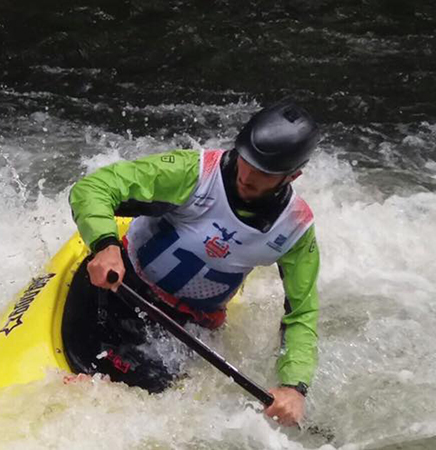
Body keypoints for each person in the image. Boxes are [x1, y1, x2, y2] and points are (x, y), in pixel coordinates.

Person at [64, 99, 320, 427]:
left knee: (142, 411)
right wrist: (105, 245)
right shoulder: (193, 172)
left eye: (264, 173)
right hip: (119, 285)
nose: (247, 175)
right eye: (246, 160)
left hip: (186, 329)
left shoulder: (295, 228)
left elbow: (302, 314)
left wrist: (294, 387)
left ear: (291, 176)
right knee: (82, 364)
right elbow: (94, 188)